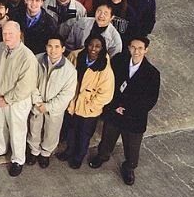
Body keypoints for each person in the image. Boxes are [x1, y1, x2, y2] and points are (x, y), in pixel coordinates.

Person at [88, 34, 161, 185]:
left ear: (146, 50)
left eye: (140, 48)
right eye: (133, 47)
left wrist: (127, 110)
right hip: (114, 111)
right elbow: (108, 85)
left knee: (132, 146)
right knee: (108, 137)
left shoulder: (152, 73)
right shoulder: (118, 62)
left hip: (134, 117)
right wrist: (114, 106)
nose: (136, 51)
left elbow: (150, 100)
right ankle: (102, 156)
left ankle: (129, 167)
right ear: (128, 48)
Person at [0, 21, 38, 175]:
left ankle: (17, 160)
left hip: (17, 102)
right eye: (4, 33)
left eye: (11, 34)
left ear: (19, 34)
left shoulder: (28, 57)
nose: (7, 36)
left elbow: (25, 86)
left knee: (17, 132)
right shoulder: (1, 47)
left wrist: (7, 99)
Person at [60, 33, 115, 169]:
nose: (93, 49)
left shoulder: (105, 68)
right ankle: (69, 151)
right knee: (71, 131)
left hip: (88, 110)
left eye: (98, 46)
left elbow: (106, 93)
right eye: (91, 45)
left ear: (102, 48)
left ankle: (79, 157)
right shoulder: (75, 56)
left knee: (84, 136)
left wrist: (91, 105)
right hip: (73, 104)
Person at [26, 35, 78, 168]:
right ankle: (34, 151)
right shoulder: (36, 60)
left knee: (52, 131)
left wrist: (48, 106)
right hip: (37, 103)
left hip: (54, 108)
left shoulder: (70, 71)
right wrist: (37, 102)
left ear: (63, 49)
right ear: (46, 47)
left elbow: (67, 94)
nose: (53, 50)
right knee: (34, 127)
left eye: (57, 47)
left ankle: (45, 154)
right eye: (50, 46)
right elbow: (30, 82)